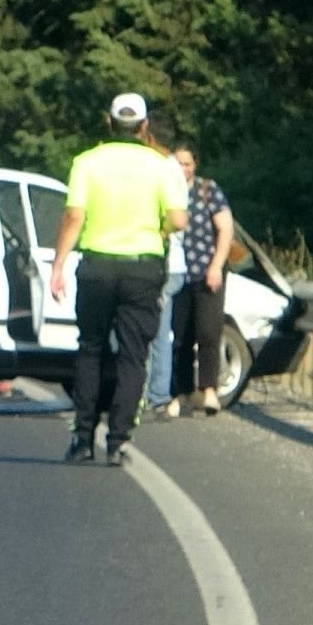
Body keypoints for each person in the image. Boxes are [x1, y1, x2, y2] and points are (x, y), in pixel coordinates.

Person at [51, 93, 188, 465]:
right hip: (143, 266)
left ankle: (82, 438)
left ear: (108, 122)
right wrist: (155, 231)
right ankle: (118, 441)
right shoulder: (161, 166)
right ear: (144, 127)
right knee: (133, 354)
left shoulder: (87, 162)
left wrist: (58, 265)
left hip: (97, 265)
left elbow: (73, 217)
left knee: (91, 348)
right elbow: (178, 220)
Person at [166, 147, 234, 418]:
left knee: (208, 332)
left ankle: (209, 390)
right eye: (178, 164)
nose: (183, 169)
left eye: (187, 163)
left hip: (207, 271)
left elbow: (225, 228)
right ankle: (180, 392)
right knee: (179, 337)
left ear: (195, 165)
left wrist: (216, 265)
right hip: (176, 272)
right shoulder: (167, 192)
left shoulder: (208, 190)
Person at [139, 116, 189, 418]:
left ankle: (157, 393)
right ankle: (153, 392)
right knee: (153, 329)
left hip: (167, 263)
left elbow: (174, 218)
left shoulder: (165, 169)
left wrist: (154, 234)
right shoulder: (169, 169)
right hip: (167, 262)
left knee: (156, 331)